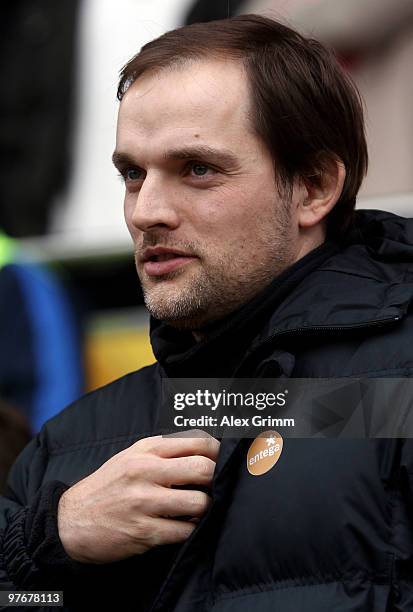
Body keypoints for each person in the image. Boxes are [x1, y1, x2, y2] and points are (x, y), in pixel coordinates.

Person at [1, 13, 413, 612]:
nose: (148, 211)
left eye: (197, 169)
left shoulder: (396, 395)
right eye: (133, 173)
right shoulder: (69, 451)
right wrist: (47, 543)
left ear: (315, 186)